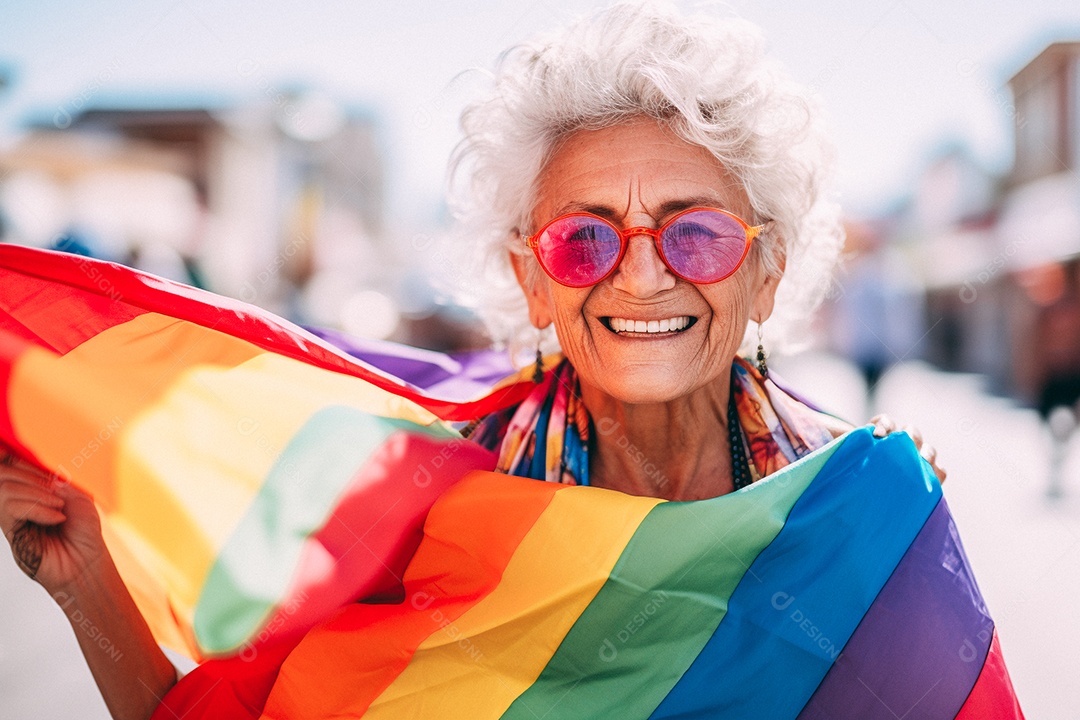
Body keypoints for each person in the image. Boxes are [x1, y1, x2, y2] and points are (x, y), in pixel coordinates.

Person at [0, 3, 947, 718]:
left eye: (697, 233)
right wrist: (85, 586)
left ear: (767, 272)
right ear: (532, 280)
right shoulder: (426, 489)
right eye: (585, 239)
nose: (642, 276)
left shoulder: (860, 517)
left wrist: (888, 515)